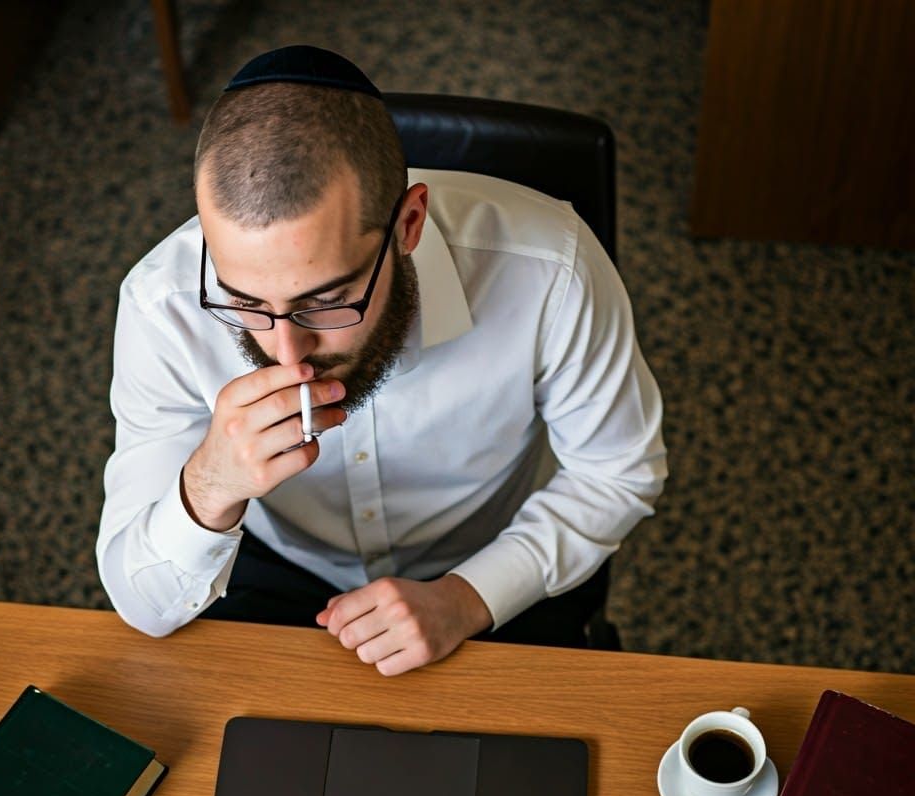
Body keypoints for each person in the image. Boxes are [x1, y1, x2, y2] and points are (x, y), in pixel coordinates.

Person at [96, 46, 667, 676]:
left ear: (409, 224)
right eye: (245, 301)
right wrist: (211, 484)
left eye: (328, 300)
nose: (286, 353)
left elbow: (618, 470)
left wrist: (468, 597)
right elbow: (144, 606)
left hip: (494, 562)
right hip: (274, 569)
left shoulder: (553, 270)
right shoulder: (162, 305)